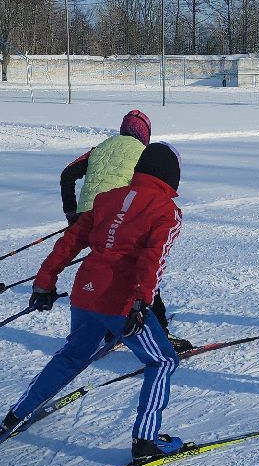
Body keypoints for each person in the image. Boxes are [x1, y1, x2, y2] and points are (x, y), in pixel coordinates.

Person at [10, 142, 188, 461]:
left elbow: (69, 243)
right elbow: (153, 259)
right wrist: (142, 302)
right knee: (163, 361)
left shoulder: (108, 198)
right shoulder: (167, 211)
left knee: (72, 355)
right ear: (172, 176)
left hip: (85, 293)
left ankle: (17, 415)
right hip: (121, 301)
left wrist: (44, 283)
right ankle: (145, 441)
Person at [58, 109, 191, 351]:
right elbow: (141, 190)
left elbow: (68, 175)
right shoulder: (144, 154)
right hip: (118, 214)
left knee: (102, 267)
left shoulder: (100, 147)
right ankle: (157, 332)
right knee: (139, 270)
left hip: (90, 216)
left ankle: (110, 326)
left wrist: (72, 214)